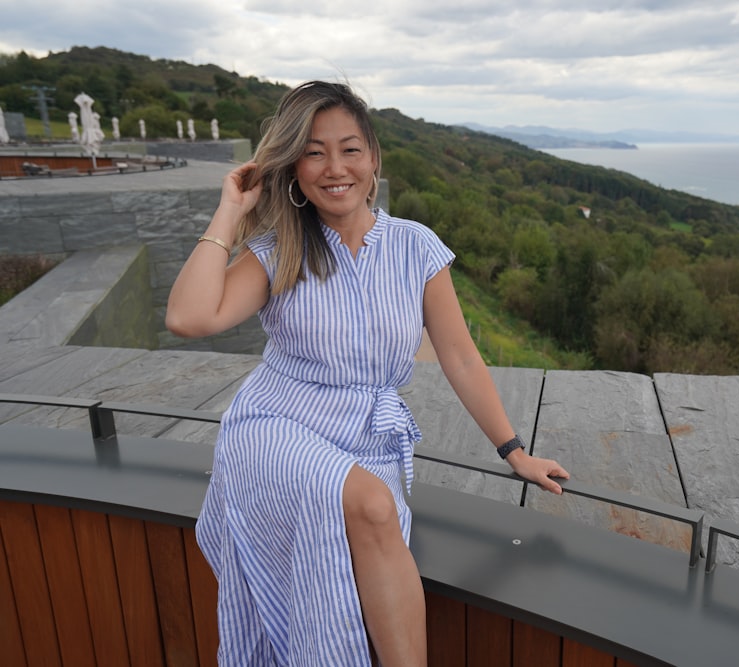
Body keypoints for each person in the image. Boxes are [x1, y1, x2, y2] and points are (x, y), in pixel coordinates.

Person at [166, 80, 569, 666]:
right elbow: (188, 316)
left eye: (350, 149)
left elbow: (459, 355)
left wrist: (515, 451)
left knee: (365, 533)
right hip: (276, 425)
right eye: (314, 151)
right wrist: (230, 209)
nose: (335, 168)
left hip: (368, 437)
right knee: (375, 506)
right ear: (293, 167)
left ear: (374, 159)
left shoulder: (415, 247)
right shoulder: (280, 250)